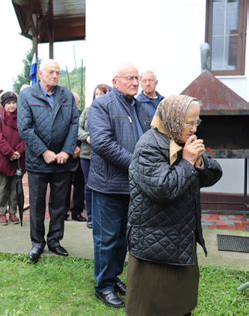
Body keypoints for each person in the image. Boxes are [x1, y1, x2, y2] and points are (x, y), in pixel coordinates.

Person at [126, 95, 222, 315]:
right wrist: (188, 162)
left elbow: (212, 175)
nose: (193, 128)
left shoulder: (180, 140)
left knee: (181, 304)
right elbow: (163, 189)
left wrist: (198, 162)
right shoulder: (148, 146)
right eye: (189, 122)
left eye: (197, 121)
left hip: (179, 240)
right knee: (151, 306)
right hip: (154, 245)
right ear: (172, 119)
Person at [88, 63, 151, 308]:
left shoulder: (139, 107)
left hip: (131, 185)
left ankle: (112, 278)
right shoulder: (101, 106)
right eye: (130, 78)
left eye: (137, 78)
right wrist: (136, 164)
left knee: (123, 237)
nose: (136, 83)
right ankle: (103, 285)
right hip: (108, 186)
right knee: (106, 238)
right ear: (115, 81)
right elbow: (102, 144)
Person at [18, 59, 80, 263]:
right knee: (36, 204)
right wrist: (43, 151)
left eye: (58, 72)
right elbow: (25, 128)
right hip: (38, 161)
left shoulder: (66, 96)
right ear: (41, 74)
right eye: (51, 72)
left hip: (62, 161)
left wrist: (67, 150)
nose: (55, 76)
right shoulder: (27, 95)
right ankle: (37, 243)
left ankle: (55, 240)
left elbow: (73, 123)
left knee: (59, 204)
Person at [0, 91, 25, 226]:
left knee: (15, 188)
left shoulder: (22, 117)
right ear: (3, 105)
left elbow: (26, 135)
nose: (12, 106)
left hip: (18, 159)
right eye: (8, 103)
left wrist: (19, 151)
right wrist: (10, 152)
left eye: (14, 102)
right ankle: (2, 212)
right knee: (3, 188)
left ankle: (13, 212)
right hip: (2, 159)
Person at [78, 84, 110, 229]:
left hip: (104, 155)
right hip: (86, 154)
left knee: (103, 186)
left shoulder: (110, 112)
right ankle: (90, 216)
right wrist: (87, 137)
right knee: (88, 185)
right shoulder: (87, 111)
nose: (99, 96)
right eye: (96, 93)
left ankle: (102, 215)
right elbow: (77, 129)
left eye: (102, 93)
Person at [67, 92, 86, 223]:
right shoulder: (62, 114)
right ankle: (62, 212)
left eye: (75, 100)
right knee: (64, 186)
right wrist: (71, 147)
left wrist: (78, 147)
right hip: (66, 154)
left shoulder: (81, 114)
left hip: (80, 154)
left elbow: (82, 130)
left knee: (80, 185)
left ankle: (77, 212)